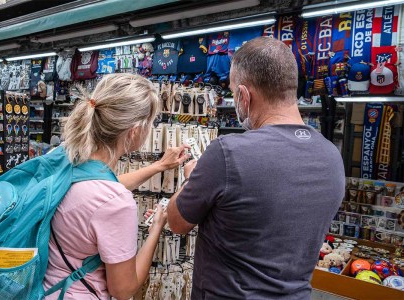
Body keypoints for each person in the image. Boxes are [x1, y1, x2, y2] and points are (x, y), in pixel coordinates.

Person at [166, 37, 346, 299]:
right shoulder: (331, 156)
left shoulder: (227, 153)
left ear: (243, 95)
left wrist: (190, 178)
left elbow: (176, 222)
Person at [43, 73, 190, 299]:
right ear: (134, 131)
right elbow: (123, 289)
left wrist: (159, 166)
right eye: (150, 123)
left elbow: (97, 191)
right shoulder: (115, 202)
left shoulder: (63, 159)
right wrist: (156, 229)